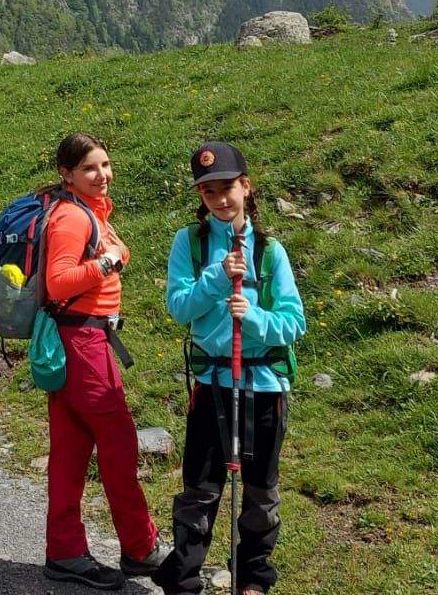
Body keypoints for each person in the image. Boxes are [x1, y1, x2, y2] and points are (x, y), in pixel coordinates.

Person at [154, 143, 304, 595]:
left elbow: (294, 323)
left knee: (259, 489)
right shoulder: (190, 243)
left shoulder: (269, 250)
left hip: (264, 384)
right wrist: (218, 276)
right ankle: (183, 580)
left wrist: (253, 318)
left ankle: (252, 578)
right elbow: (179, 307)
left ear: (246, 187)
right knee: (201, 488)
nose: (220, 199)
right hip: (212, 382)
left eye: (228, 188)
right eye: (209, 192)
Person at [39, 133, 168, 590]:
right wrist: (109, 262)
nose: (102, 174)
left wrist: (114, 253)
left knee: (71, 450)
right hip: (84, 341)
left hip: (79, 338)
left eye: (106, 164)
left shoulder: (86, 211)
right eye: (90, 168)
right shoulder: (72, 217)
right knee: (118, 444)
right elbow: (58, 282)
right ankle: (140, 547)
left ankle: (65, 551)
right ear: (67, 173)